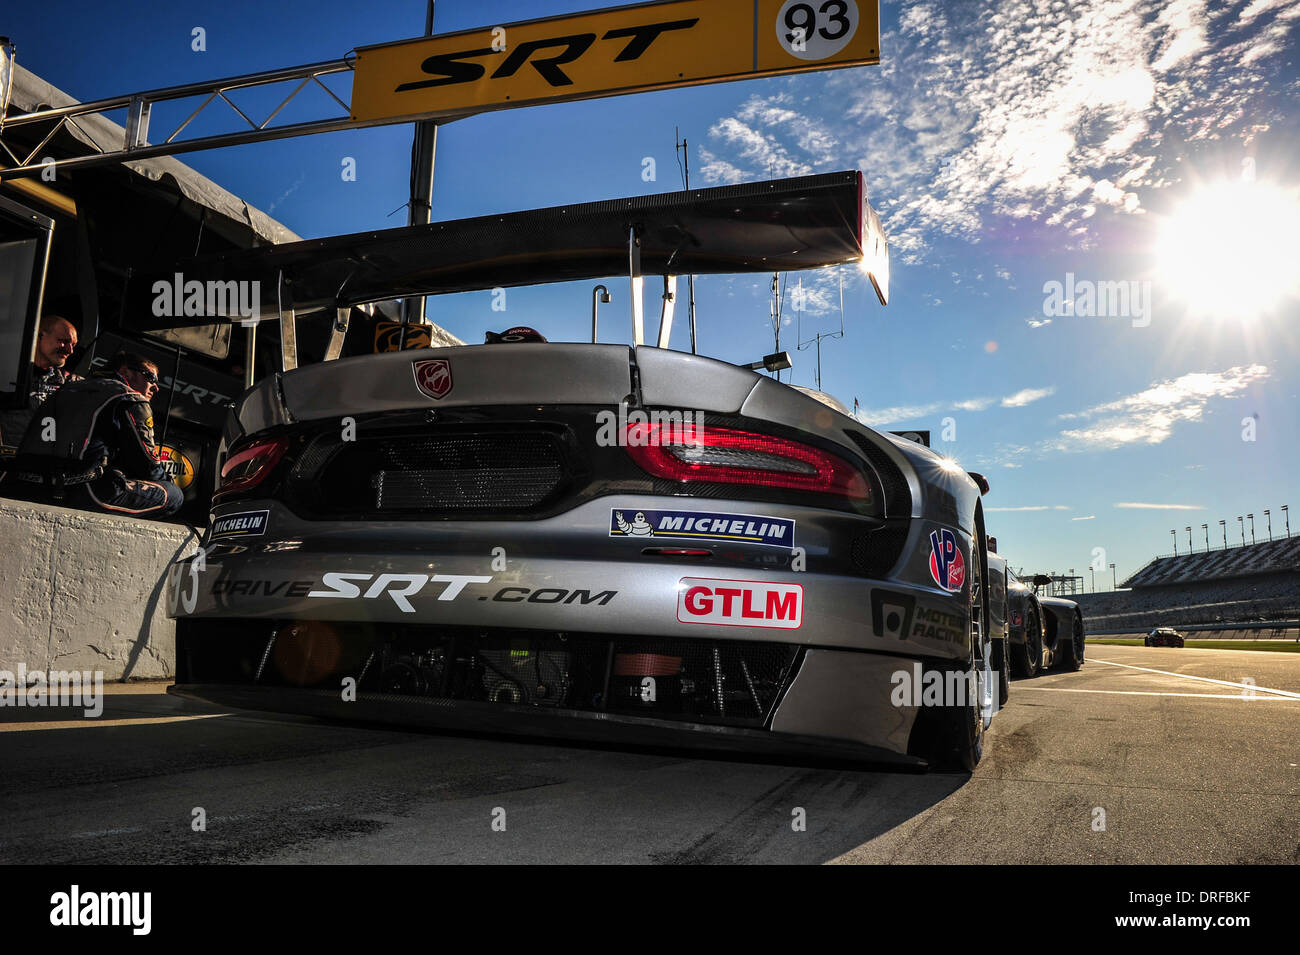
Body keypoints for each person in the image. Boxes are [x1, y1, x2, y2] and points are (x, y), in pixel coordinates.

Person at [16, 352, 183, 517]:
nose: (156, 387)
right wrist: (166, 480)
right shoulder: (130, 398)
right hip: (84, 491)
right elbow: (148, 466)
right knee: (174, 495)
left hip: (26, 485)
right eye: (151, 378)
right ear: (125, 372)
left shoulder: (64, 389)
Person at [0, 314, 82, 446]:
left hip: (45, 463)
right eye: (63, 341)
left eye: (73, 344)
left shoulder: (69, 383)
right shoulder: (8, 375)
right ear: (39, 335)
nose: (70, 350)